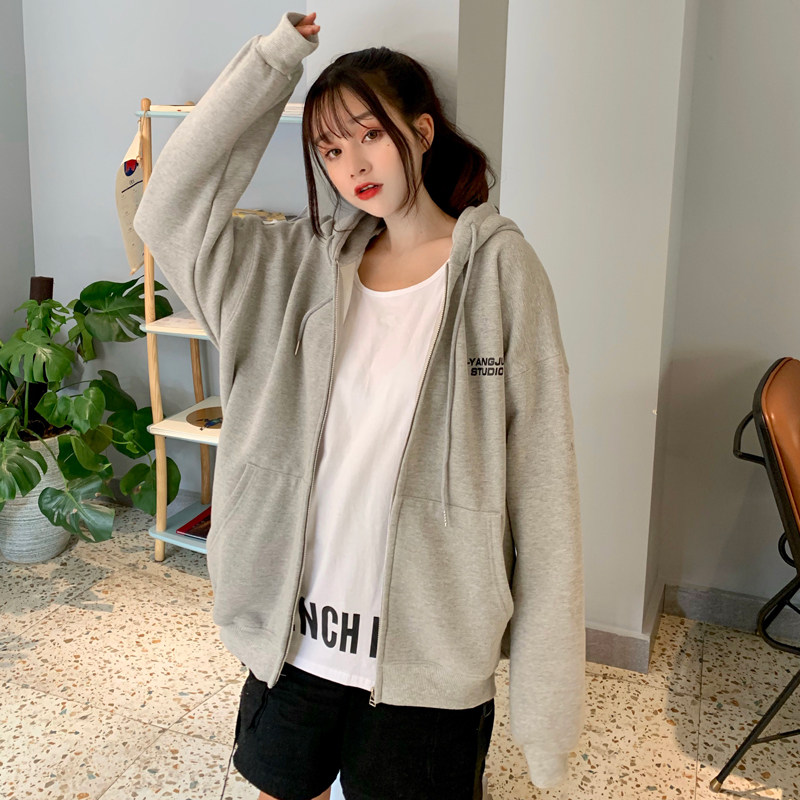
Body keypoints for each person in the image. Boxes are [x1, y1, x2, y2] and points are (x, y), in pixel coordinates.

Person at [133, 10, 585, 800]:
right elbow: (164, 210)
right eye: (330, 150)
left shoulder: (500, 273)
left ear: (421, 130)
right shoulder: (294, 269)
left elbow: (545, 487)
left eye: (369, 135)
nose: (352, 166)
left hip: (427, 661)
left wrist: (546, 717)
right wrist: (275, 61)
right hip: (291, 642)